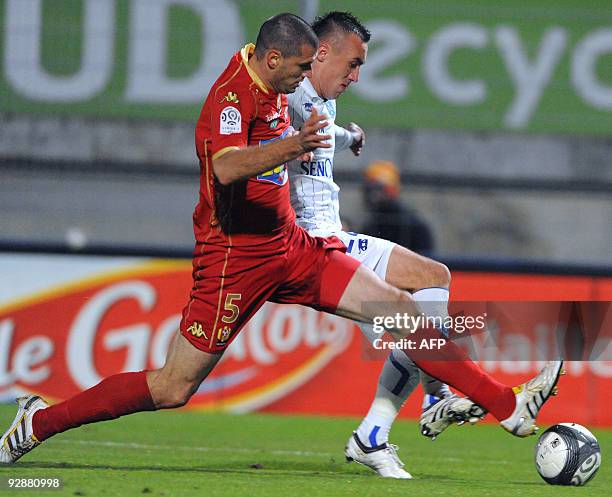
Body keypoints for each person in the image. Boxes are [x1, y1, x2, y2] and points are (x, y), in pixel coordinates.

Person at [1, 13, 562, 473]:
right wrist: (292, 146)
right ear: (275, 62)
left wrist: (323, 137)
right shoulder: (230, 98)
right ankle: (39, 422)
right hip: (234, 263)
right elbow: (225, 168)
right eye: (298, 69)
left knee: (402, 312)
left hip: (292, 248)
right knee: (173, 387)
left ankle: (505, 407)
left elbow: (296, 119)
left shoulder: (279, 79)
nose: (304, 79)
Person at [363, 160, 435, 254]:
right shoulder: (371, 226)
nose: (372, 196)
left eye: (377, 189)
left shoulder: (413, 225)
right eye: (368, 190)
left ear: (391, 190)